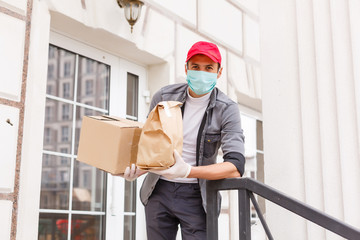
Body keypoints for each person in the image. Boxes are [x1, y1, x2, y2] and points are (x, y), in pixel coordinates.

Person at [122, 41, 245, 240]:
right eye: (195, 67)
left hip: (198, 195)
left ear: (219, 72)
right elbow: (150, 146)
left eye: (208, 68)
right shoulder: (163, 96)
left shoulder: (227, 109)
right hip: (158, 190)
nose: (201, 73)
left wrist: (189, 171)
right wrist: (137, 169)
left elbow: (235, 166)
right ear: (186, 68)